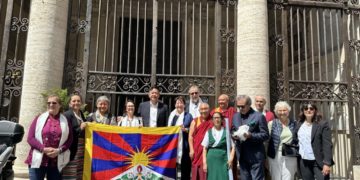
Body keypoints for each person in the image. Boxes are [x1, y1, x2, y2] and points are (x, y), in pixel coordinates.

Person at [25, 94, 73, 180]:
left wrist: (59, 150)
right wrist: (43, 149)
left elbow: (70, 139)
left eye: (54, 103)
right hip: (38, 160)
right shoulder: (39, 118)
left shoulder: (66, 120)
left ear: (60, 105)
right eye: (49, 103)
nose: (51, 105)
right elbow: (30, 138)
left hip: (56, 161)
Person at [232, 95, 269, 180]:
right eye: (238, 106)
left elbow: (265, 135)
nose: (240, 108)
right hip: (242, 154)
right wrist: (234, 135)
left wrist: (251, 136)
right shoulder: (235, 116)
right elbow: (232, 130)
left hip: (255, 155)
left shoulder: (259, 116)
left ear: (249, 105)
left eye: (242, 106)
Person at [294, 103, 334, 180]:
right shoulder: (299, 124)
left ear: (315, 110)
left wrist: (327, 163)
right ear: (303, 111)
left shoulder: (322, 124)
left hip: (319, 161)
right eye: (306, 108)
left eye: (311, 108)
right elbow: (295, 140)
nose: (308, 110)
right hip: (304, 161)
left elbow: (327, 144)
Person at [267, 101, 297, 180]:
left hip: (290, 154)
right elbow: (266, 141)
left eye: (284, 110)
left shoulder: (294, 123)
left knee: (289, 177)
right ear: (276, 112)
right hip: (275, 154)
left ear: (288, 111)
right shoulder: (271, 124)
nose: (282, 112)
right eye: (280, 110)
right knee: (276, 177)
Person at [210, 94, 237, 179]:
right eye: (219, 100)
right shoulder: (214, 111)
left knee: (231, 166)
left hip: (229, 141)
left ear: (227, 101)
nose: (221, 102)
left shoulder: (232, 111)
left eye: (223, 100)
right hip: (218, 141)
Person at [202, 112, 235, 180]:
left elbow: (233, 146)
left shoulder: (226, 132)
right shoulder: (208, 132)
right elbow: (204, 149)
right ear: (212, 120)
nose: (217, 120)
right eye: (215, 118)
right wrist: (204, 163)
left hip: (223, 160)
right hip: (211, 161)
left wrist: (231, 159)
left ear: (222, 119)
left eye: (218, 118)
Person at [167, 96, 193, 180]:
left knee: (185, 169)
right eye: (177, 103)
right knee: (172, 168)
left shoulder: (188, 116)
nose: (179, 104)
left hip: (184, 146)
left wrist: (186, 129)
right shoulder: (172, 116)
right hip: (173, 146)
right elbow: (168, 130)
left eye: (181, 102)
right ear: (175, 105)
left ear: (184, 105)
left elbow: (192, 130)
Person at [62, 94, 87, 180]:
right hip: (72, 148)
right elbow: (66, 132)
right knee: (70, 172)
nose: (76, 103)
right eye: (74, 101)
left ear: (81, 103)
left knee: (78, 170)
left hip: (80, 148)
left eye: (78, 101)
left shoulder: (81, 114)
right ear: (69, 103)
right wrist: (80, 128)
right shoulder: (67, 115)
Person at [189, 103, 213, 180]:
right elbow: (190, 136)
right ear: (199, 110)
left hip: (208, 150)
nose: (203, 111)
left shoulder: (213, 120)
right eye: (202, 109)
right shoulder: (195, 121)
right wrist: (191, 149)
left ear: (209, 109)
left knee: (207, 171)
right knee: (196, 169)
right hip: (197, 150)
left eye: (205, 109)